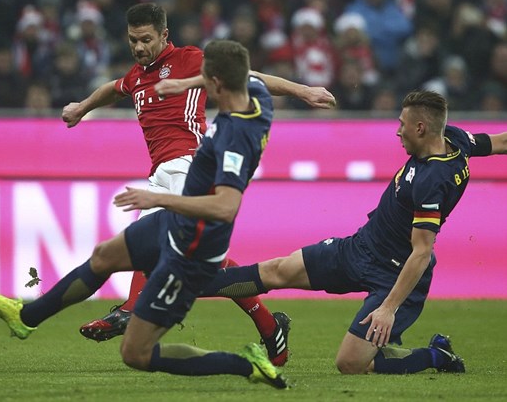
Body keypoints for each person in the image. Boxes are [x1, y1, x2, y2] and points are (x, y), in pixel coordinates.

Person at [0, 39, 288, 389]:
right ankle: (27, 316)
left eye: (204, 78)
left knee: (139, 350)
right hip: (175, 213)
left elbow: (225, 206)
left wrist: (158, 199)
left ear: (216, 83)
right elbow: (252, 78)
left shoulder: (235, 137)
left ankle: (247, 359)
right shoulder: (256, 95)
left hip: (192, 231)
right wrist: (306, 91)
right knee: (104, 256)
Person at [61, 3, 336, 358]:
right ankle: (270, 326)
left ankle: (131, 309)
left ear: (164, 35)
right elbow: (114, 89)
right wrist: (82, 107)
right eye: (133, 40)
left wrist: (303, 91)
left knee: (168, 248)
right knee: (178, 254)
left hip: (190, 166)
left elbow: (247, 77)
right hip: (160, 174)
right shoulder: (137, 75)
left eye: (146, 39)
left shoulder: (189, 59)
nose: (139, 47)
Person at [199, 90, 507, 374]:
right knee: (278, 270)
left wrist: (388, 309)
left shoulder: (432, 181)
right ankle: (188, 287)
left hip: (394, 276)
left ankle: (436, 355)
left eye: (402, 125)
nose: (398, 131)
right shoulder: (455, 139)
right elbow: (500, 142)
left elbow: (422, 252)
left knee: (350, 363)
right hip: (360, 247)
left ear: (421, 128)